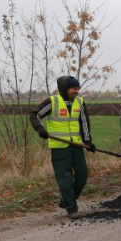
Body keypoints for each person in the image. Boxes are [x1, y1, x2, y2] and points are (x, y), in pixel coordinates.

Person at [30, 76, 95, 218]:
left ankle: (66, 200)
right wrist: (40, 129)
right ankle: (72, 209)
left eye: (78, 88)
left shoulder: (80, 102)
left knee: (82, 175)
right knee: (65, 178)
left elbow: (84, 123)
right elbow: (35, 114)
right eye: (74, 88)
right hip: (59, 147)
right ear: (65, 89)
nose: (76, 91)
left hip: (76, 145)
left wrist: (88, 142)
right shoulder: (53, 101)